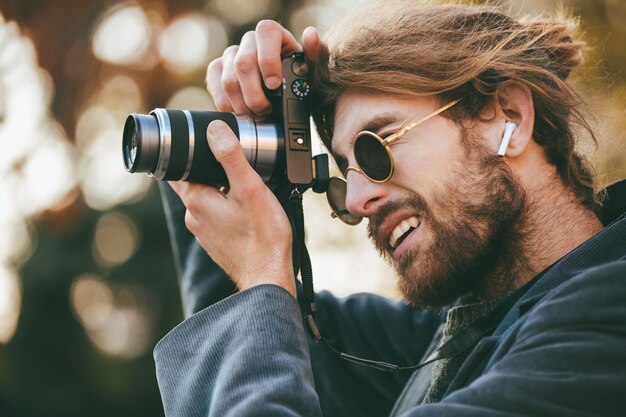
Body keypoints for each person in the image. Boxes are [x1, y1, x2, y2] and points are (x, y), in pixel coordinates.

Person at [152, 2, 626, 416]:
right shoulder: (441, 340)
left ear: (509, 116)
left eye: (375, 145)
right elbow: (248, 345)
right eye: (344, 169)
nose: (357, 201)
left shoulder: (606, 317)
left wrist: (263, 273)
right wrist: (252, 137)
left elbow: (259, 317)